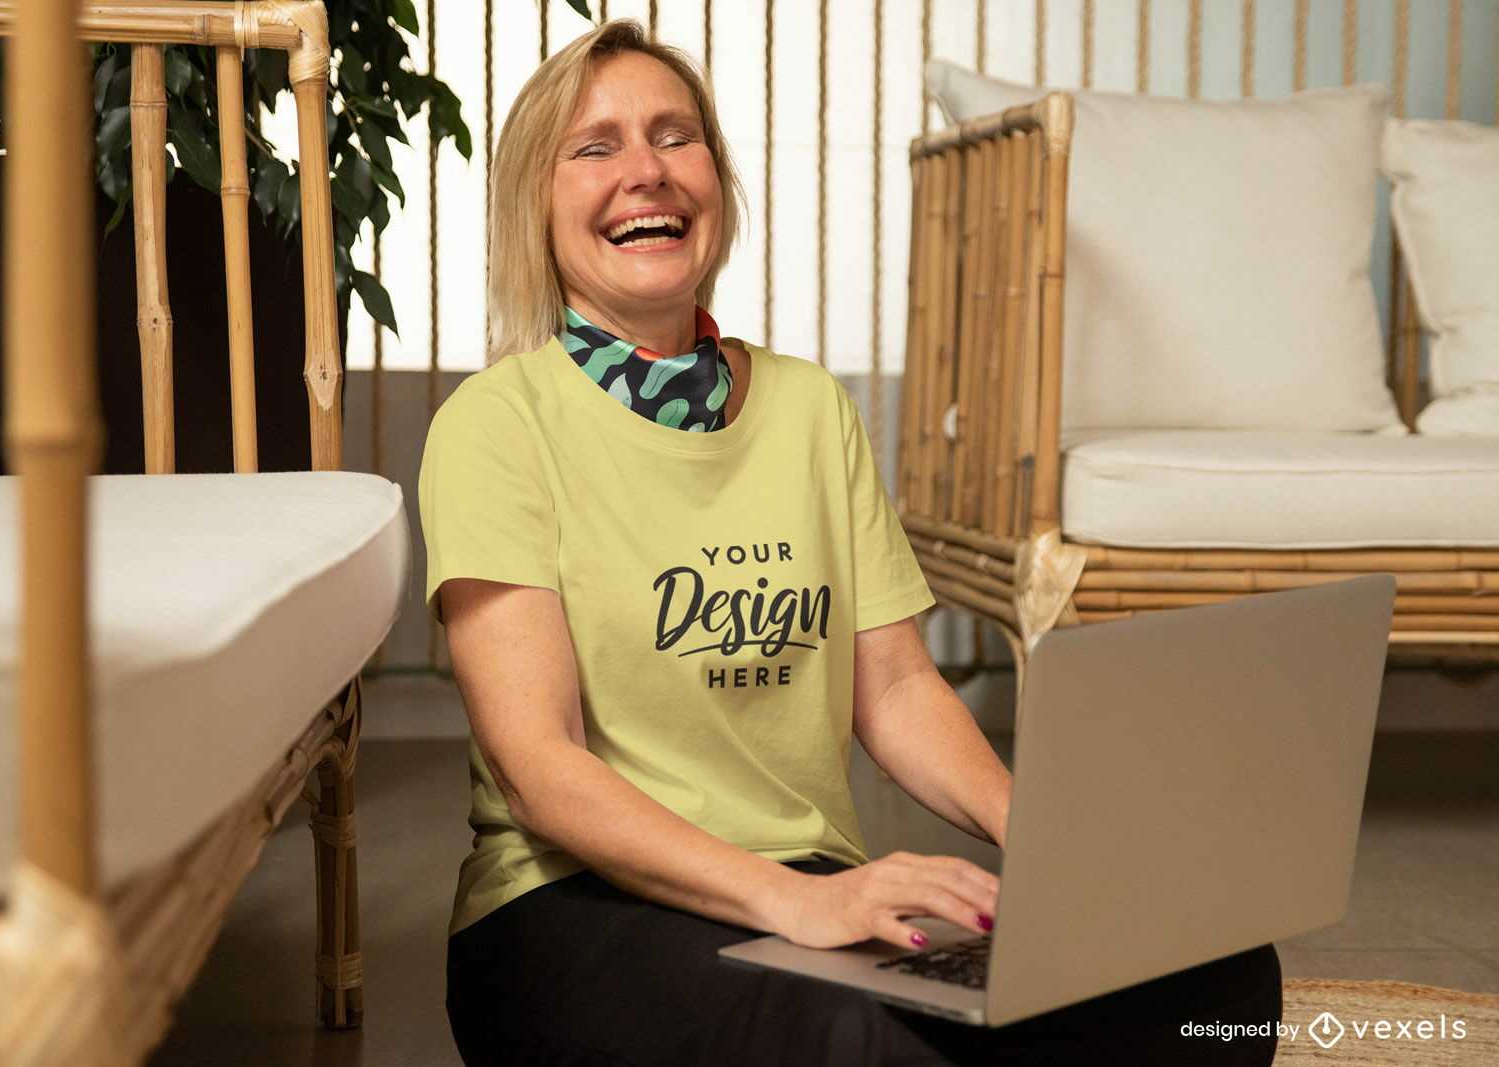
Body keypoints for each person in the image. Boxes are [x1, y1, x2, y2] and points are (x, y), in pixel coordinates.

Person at [419, 18, 1280, 1066]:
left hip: (810, 890)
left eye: (674, 136)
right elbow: (536, 770)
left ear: (717, 182)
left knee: (1213, 976)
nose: (645, 171)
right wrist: (793, 901)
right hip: (569, 910)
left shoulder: (809, 407)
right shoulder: (497, 423)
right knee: (834, 1029)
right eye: (594, 147)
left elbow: (895, 688)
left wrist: (1052, 843)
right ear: (535, 204)